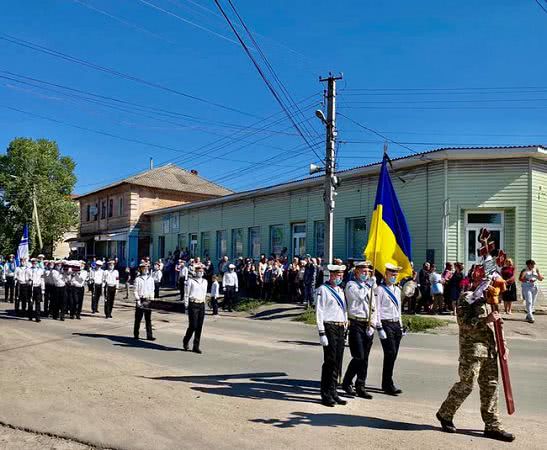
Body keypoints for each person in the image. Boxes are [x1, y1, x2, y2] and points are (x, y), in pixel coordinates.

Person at [436, 268, 515, 442]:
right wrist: (485, 320)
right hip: (472, 350)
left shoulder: (491, 301)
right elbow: (463, 323)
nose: (490, 285)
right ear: (477, 280)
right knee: (467, 384)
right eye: (487, 281)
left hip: (491, 350)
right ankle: (445, 413)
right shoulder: (467, 298)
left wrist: (504, 346)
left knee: (491, 386)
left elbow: (498, 327)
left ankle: (492, 426)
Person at [342, 261, 377, 399]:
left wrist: (373, 324)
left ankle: (361, 385)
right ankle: (346, 381)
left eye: (367, 271)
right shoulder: (351, 285)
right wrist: (369, 285)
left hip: (367, 324)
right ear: (356, 272)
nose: (366, 273)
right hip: (355, 323)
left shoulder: (370, 286)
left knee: (365, 358)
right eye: (362, 271)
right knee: (359, 356)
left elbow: (374, 306)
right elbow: (358, 297)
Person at [315, 264, 348, 407]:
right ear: (331, 275)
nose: (339, 277)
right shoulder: (323, 289)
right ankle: (326, 393)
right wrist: (321, 332)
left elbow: (344, 310)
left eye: (341, 275)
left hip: (340, 327)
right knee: (330, 361)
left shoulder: (340, 290)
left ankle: (334, 391)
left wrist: (346, 325)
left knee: (338, 361)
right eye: (337, 275)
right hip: (329, 327)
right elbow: (319, 311)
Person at [376, 263, 404, 396]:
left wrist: (401, 325)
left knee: (393, 355)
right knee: (390, 353)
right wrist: (379, 326)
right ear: (385, 274)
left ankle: (386, 382)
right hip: (385, 323)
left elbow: (398, 310)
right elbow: (376, 309)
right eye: (391, 274)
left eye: (395, 274)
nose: (394, 276)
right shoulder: (380, 290)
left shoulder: (397, 290)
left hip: (395, 324)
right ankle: (388, 383)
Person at [183, 265, 208, 353]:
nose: (200, 273)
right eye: (198, 271)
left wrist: (204, 302)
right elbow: (186, 294)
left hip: (201, 304)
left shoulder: (205, 281)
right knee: (193, 325)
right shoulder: (191, 281)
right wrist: (186, 306)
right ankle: (186, 340)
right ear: (195, 272)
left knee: (199, 326)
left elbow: (204, 293)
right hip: (193, 304)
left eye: (202, 271)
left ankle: (196, 346)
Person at [133, 263, 156, 341]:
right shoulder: (138, 279)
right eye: (144, 268)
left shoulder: (151, 279)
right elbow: (135, 291)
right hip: (141, 299)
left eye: (147, 268)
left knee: (148, 319)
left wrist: (152, 299)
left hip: (148, 300)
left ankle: (149, 335)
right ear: (141, 269)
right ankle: (136, 334)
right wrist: (138, 300)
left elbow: (152, 290)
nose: (145, 269)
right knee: (138, 318)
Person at [519, 259, 543, 323]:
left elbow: (540, 279)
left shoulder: (536, 269)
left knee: (533, 302)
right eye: (531, 264)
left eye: (533, 264)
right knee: (529, 301)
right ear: (528, 265)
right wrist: (527, 279)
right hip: (527, 287)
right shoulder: (525, 270)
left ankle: (528, 315)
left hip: (535, 287)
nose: (533, 265)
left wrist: (538, 274)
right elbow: (520, 278)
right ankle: (531, 316)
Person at [28, 258, 44, 322]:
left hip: (38, 287)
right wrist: (29, 281)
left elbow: (42, 279)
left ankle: (38, 317)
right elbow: (27, 277)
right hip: (31, 287)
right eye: (33, 263)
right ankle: (30, 315)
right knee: (31, 302)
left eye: (36, 263)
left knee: (38, 303)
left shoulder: (40, 270)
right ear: (32, 263)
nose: (34, 264)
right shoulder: (29, 270)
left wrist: (43, 289)